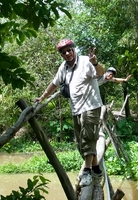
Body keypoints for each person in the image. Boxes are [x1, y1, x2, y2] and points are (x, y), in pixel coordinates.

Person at [35, 39, 105, 187]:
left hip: (91, 106)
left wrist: (95, 62)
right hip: (76, 109)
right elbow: (55, 83)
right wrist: (42, 97)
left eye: (69, 50)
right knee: (80, 143)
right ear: (61, 55)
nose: (67, 54)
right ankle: (96, 169)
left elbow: (100, 73)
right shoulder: (64, 68)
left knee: (88, 138)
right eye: (64, 52)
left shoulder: (86, 61)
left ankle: (86, 172)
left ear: (74, 49)